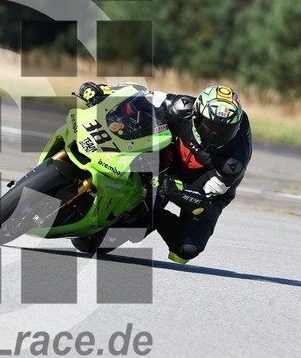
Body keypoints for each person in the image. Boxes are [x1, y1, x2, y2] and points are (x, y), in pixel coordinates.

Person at [77, 81, 252, 263]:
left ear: (236, 127)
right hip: (172, 154)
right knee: (140, 121)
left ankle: (149, 214)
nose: (214, 135)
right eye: (209, 126)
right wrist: (102, 90)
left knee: (184, 250)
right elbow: (142, 95)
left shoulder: (233, 162)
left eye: (225, 131)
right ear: (196, 115)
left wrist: (172, 188)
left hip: (202, 183)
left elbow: (203, 200)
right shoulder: (182, 107)